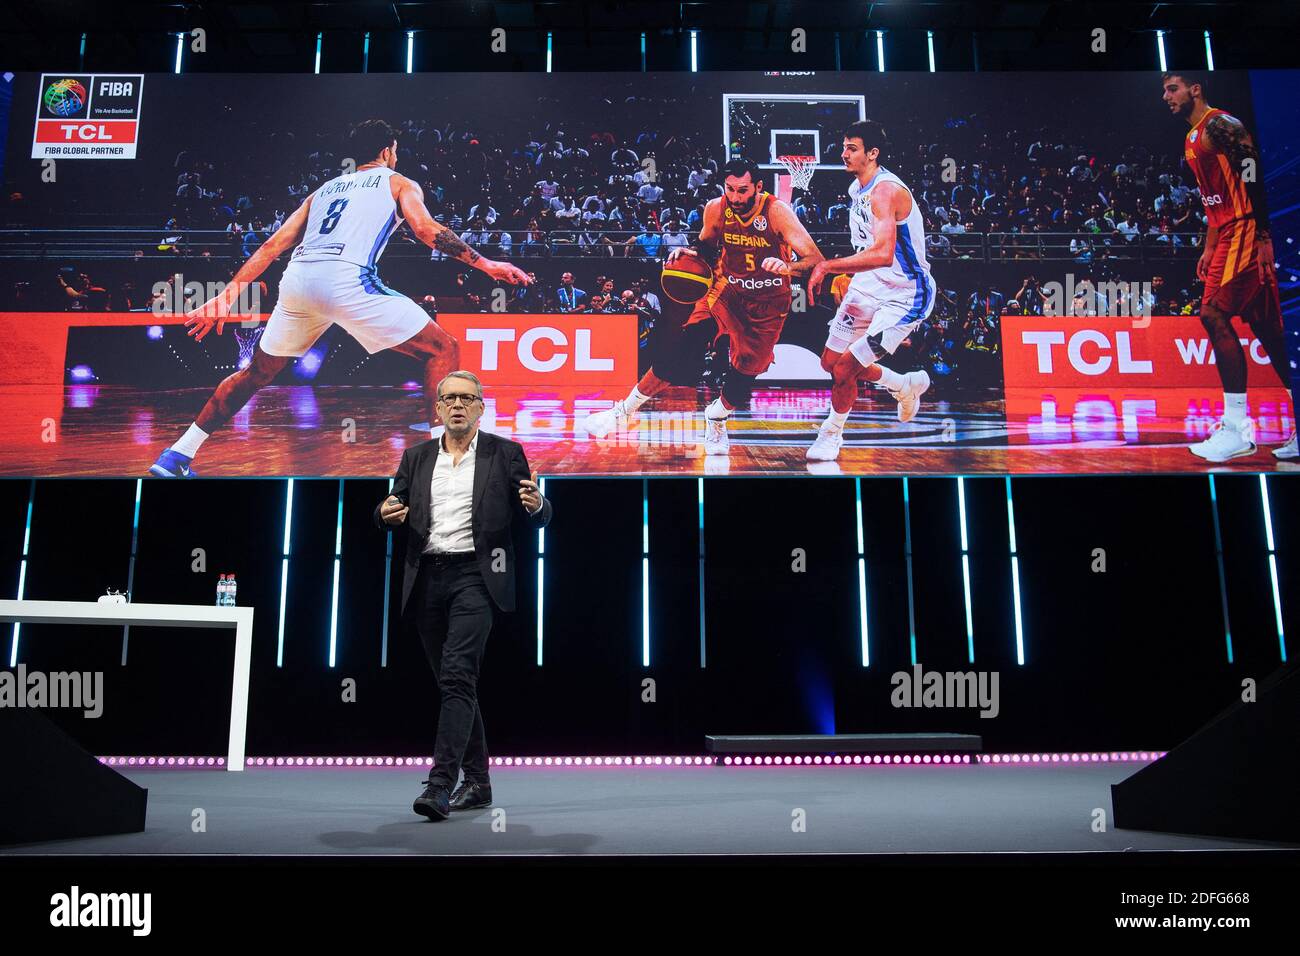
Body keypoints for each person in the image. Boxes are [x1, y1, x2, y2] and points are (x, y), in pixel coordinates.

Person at [147, 119, 529, 477]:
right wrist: (485, 264)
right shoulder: (398, 182)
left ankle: (177, 453)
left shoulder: (323, 191)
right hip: (346, 278)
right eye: (394, 149)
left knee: (256, 374)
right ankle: (446, 465)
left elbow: (273, 245)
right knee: (442, 348)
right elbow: (428, 230)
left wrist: (228, 294)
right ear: (387, 151)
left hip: (297, 281)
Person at [374, 370, 552, 820]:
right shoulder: (414, 457)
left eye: (466, 398)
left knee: (456, 677)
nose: (457, 405)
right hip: (426, 577)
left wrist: (539, 507)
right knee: (455, 684)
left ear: (480, 407)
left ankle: (439, 786)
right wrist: (383, 514)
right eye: (449, 397)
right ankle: (478, 782)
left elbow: (535, 506)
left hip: (478, 576)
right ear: (437, 407)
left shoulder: (504, 453)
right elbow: (390, 507)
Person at [579, 158, 823, 455]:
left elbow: (815, 258)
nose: (735, 197)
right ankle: (622, 413)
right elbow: (706, 247)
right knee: (685, 344)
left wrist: (788, 266)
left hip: (768, 303)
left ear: (758, 187)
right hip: (727, 291)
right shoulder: (716, 208)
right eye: (730, 189)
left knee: (744, 374)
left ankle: (717, 417)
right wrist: (690, 252)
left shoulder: (777, 212)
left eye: (743, 190)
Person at [1162, 71, 1296, 461]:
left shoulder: (1220, 124)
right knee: (1270, 331)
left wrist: (1265, 235)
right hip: (1227, 230)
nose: (1167, 97)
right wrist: (1209, 245)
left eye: (1173, 88)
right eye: (1164, 91)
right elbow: (1212, 199)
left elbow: (1254, 170)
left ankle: (1237, 428)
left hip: (1247, 229)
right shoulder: (1190, 139)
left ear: (1195, 89)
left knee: (1213, 312)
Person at [806, 120, 935, 461]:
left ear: (872, 153)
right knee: (831, 362)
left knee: (846, 369)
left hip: (905, 292)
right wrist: (848, 275)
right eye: (844, 146)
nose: (843, 153)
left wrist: (828, 266)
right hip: (870, 283)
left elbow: (884, 253)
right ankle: (902, 384)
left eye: (852, 148)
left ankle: (831, 435)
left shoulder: (885, 190)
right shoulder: (856, 190)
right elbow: (867, 249)